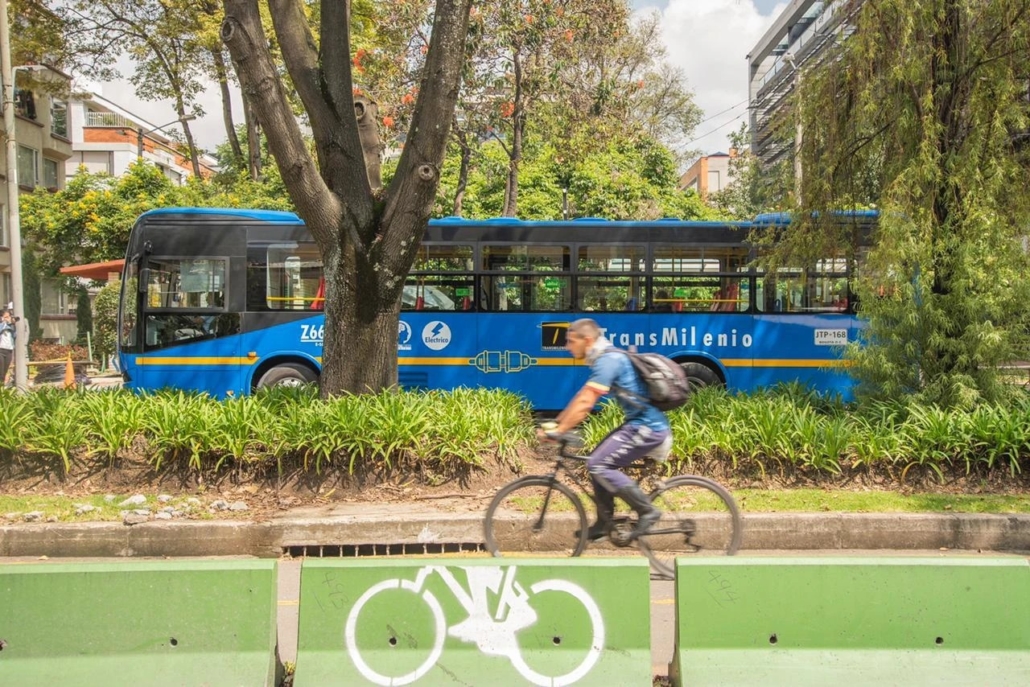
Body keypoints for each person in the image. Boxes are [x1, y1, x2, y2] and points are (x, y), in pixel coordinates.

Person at [538, 318, 672, 541]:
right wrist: (557, 424)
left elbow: (586, 403)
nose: (568, 347)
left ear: (587, 340)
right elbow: (581, 397)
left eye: (571, 342)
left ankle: (647, 510)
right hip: (637, 425)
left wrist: (559, 431)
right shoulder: (603, 359)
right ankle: (604, 523)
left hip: (648, 428)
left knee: (598, 464)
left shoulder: (608, 360)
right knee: (596, 461)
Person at [0, 309, 15, 387]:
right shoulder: (1, 325)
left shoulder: (11, 326)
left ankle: (2, 387)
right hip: (1, 350)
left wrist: (12, 324)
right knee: (1, 371)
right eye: (6, 317)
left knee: (5, 370)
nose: (8, 318)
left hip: (9, 350)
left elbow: (15, 335)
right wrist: (4, 323)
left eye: (9, 317)